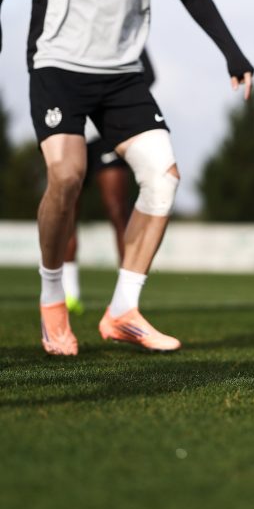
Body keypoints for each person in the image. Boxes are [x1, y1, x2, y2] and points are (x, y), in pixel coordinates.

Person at [0, 0, 253, 356]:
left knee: (163, 179)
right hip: (59, 67)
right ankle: (51, 303)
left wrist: (233, 53)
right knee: (67, 178)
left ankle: (123, 309)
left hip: (122, 78)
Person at [63, 49, 156, 314]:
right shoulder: (68, 27)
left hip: (107, 133)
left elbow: (148, 74)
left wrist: (114, 102)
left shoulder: (124, 29)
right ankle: (70, 294)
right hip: (73, 130)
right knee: (69, 208)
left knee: (118, 210)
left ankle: (126, 297)